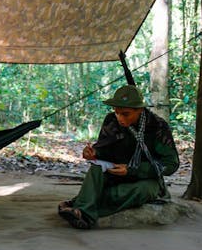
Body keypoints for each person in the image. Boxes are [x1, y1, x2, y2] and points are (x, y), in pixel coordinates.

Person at [58, 85, 179, 229]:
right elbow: (104, 149)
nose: (120, 118)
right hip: (114, 172)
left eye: (126, 114)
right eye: (117, 113)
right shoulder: (111, 120)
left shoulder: (157, 127)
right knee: (96, 168)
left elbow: (171, 164)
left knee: (146, 190)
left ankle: (81, 206)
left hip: (144, 177)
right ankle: (84, 213)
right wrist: (94, 153)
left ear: (139, 110)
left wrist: (133, 170)